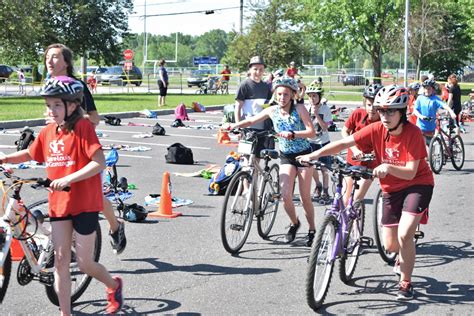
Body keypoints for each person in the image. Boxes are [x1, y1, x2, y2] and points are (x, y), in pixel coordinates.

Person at [298, 85, 435, 300]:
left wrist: (388, 167)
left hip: (417, 185)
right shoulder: (377, 129)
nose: (385, 116)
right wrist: (314, 155)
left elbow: (410, 173)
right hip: (391, 188)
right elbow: (345, 142)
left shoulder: (413, 134)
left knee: (405, 233)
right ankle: (401, 255)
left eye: (390, 111)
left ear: (402, 112)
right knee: (390, 245)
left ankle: (405, 282)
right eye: (381, 111)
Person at [0, 76, 123, 315]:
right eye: (48, 105)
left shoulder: (83, 128)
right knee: (60, 261)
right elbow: (30, 153)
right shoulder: (48, 132)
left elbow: (99, 162)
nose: (51, 110)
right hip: (60, 205)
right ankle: (65, 313)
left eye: (57, 105)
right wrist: (5, 158)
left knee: (86, 263)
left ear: (73, 105)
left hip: (84, 203)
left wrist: (69, 178)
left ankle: (113, 285)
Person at [43, 43, 126, 255]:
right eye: (47, 57)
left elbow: (95, 119)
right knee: (64, 195)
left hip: (81, 148)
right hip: (60, 149)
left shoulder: (77, 86)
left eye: (54, 57)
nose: (49, 61)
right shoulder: (48, 84)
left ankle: (116, 226)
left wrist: (73, 118)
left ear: (66, 62)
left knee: (94, 197)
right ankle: (68, 246)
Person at [226, 76, 316, 246]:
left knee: (305, 198)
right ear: (275, 94)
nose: (282, 98)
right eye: (279, 94)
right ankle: (295, 223)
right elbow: (252, 120)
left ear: (292, 95)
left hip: (304, 155)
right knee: (285, 195)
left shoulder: (299, 109)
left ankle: (312, 229)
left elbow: (311, 132)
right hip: (286, 157)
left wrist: (294, 133)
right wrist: (234, 126)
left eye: (286, 95)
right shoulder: (272, 110)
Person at [340, 83, 383, 204]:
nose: (372, 109)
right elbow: (345, 131)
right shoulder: (358, 113)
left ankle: (354, 223)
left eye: (376, 106)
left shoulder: (384, 120)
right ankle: (344, 221)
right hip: (352, 160)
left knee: (356, 199)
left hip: (370, 164)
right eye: (369, 105)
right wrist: (355, 150)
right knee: (345, 198)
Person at [234, 56, 274, 154]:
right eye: (255, 69)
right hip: (247, 128)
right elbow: (238, 107)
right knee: (246, 156)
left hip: (263, 128)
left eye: (261, 69)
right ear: (250, 69)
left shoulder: (265, 86)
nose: (258, 72)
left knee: (258, 156)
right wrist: (239, 127)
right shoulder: (245, 85)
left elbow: (269, 106)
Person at [305, 83, 332, 204]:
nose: (312, 99)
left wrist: (316, 114)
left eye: (314, 96)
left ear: (320, 97)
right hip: (310, 141)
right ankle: (318, 185)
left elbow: (325, 127)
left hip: (323, 141)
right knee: (310, 166)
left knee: (324, 167)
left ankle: (326, 190)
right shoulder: (306, 108)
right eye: (310, 96)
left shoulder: (325, 109)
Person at [412, 78, 456, 146]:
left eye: (429, 89)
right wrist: (421, 116)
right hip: (420, 126)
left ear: (432, 89)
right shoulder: (420, 98)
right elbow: (415, 110)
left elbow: (444, 105)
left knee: (431, 147)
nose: (427, 90)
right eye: (425, 88)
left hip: (431, 127)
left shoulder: (435, 99)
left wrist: (451, 112)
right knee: (421, 146)